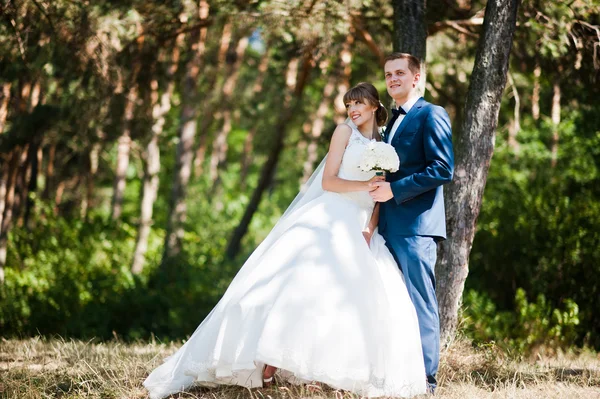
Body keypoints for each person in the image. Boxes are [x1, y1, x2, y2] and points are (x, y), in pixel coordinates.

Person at [143, 82, 427, 399]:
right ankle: (267, 360)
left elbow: (380, 197)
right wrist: (363, 188)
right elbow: (329, 182)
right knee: (299, 286)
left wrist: (369, 228)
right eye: (349, 105)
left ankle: (318, 368)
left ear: (375, 105)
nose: (353, 110)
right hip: (333, 214)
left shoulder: (385, 143)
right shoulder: (344, 133)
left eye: (359, 103)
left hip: (361, 224)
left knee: (345, 297)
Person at [370, 53, 455, 392]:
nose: (392, 79)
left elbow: (442, 168)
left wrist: (395, 190)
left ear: (417, 77)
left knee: (420, 301)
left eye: (400, 73)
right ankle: (394, 373)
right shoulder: (390, 123)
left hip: (417, 225)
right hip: (387, 226)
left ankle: (426, 380)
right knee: (389, 301)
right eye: (388, 74)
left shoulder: (431, 114)